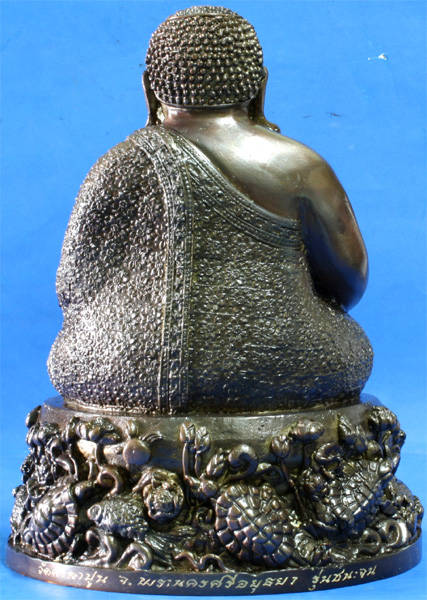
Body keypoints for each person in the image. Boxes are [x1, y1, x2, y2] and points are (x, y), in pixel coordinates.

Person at [48, 6, 372, 415]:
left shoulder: (113, 164)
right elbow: (349, 283)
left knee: (78, 347)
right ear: (260, 88)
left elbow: (73, 289)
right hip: (277, 366)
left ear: (149, 90)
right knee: (349, 346)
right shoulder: (299, 166)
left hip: (116, 372)